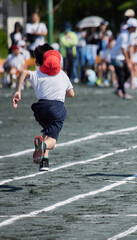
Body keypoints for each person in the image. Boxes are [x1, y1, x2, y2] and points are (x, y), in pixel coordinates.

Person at [12, 43, 75, 171]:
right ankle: (44, 146)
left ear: (38, 62)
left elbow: (24, 72)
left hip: (40, 109)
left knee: (47, 130)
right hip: (57, 108)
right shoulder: (62, 74)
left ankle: (44, 161)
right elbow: (71, 94)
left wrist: (18, 91)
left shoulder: (37, 73)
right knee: (52, 141)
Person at [111, 18, 137, 99]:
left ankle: (118, 89)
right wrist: (128, 62)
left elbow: (131, 47)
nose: (136, 28)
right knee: (121, 74)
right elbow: (123, 49)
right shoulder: (123, 35)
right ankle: (123, 93)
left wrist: (131, 59)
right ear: (131, 27)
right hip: (116, 57)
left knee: (127, 73)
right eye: (135, 27)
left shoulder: (131, 35)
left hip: (122, 57)